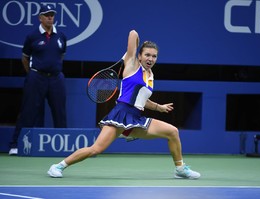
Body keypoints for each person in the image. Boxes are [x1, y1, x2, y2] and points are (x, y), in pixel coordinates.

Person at [47, 30, 200, 179]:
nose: (151, 58)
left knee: (172, 132)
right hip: (120, 114)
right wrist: (129, 55)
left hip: (136, 118)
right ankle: (59, 166)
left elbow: (141, 100)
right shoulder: (132, 65)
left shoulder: (150, 75)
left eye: (154, 56)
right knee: (96, 149)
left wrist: (159, 107)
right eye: (147, 54)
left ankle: (180, 169)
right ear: (139, 56)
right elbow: (133, 34)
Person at [8, 4, 67, 155]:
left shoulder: (61, 36)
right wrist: (32, 74)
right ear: (40, 18)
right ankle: (16, 145)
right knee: (27, 111)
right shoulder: (32, 36)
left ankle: (63, 147)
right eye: (46, 15)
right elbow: (25, 58)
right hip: (36, 77)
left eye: (52, 15)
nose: (50, 17)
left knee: (60, 113)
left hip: (56, 79)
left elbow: (61, 55)